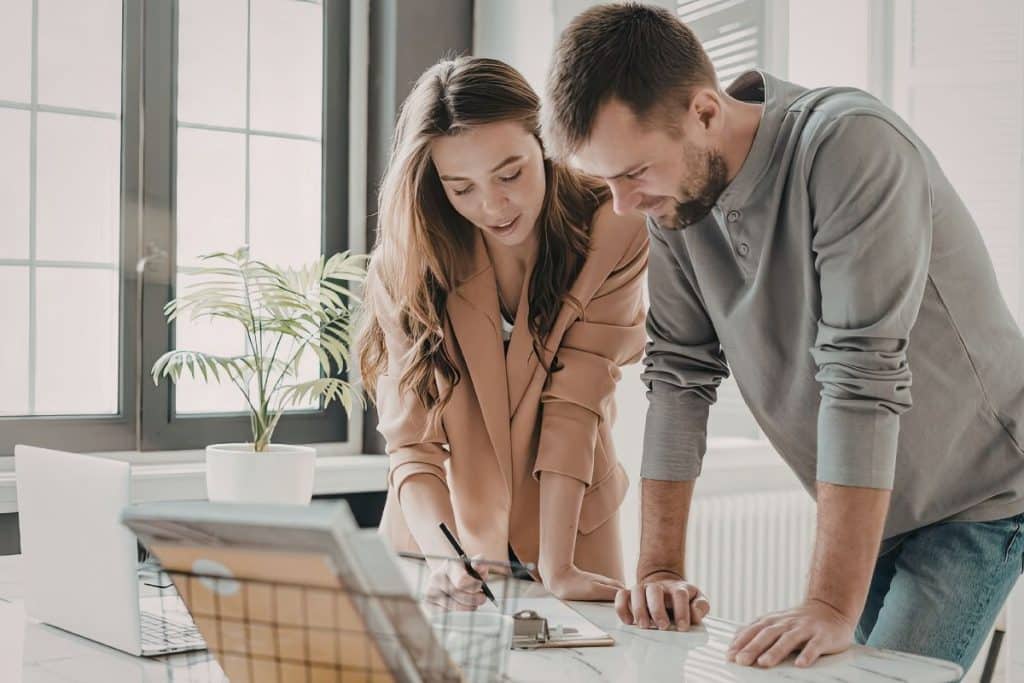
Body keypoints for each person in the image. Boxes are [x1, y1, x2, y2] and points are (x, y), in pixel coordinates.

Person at [541, 2, 1024, 674]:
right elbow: (678, 373)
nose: (623, 205)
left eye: (633, 173)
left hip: (977, 493)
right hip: (879, 500)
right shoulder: (676, 201)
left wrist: (827, 602)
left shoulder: (852, 146)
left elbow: (861, 373)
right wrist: (658, 569)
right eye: (607, 180)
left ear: (706, 112)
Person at [357, 56, 648, 611]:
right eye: (460, 188)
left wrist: (558, 566)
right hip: (440, 541)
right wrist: (447, 560)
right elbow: (412, 445)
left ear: (545, 141)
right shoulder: (408, 260)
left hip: (571, 533)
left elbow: (577, 401)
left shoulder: (613, 224)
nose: (492, 206)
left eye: (510, 173)